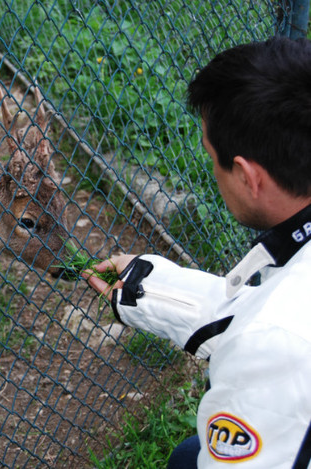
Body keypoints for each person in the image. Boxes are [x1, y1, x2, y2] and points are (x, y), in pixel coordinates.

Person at [83, 37, 311, 468]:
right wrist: (145, 286)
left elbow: (271, 333)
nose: (213, 172)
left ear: (247, 176)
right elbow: (265, 311)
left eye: (212, 157)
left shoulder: (273, 348)